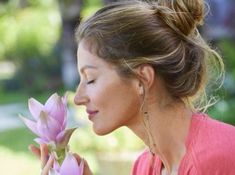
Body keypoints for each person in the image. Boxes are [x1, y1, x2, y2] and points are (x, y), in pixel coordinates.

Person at [30, 0, 235, 174]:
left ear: (142, 78)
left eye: (91, 79)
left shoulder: (219, 159)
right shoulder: (145, 165)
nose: (78, 98)